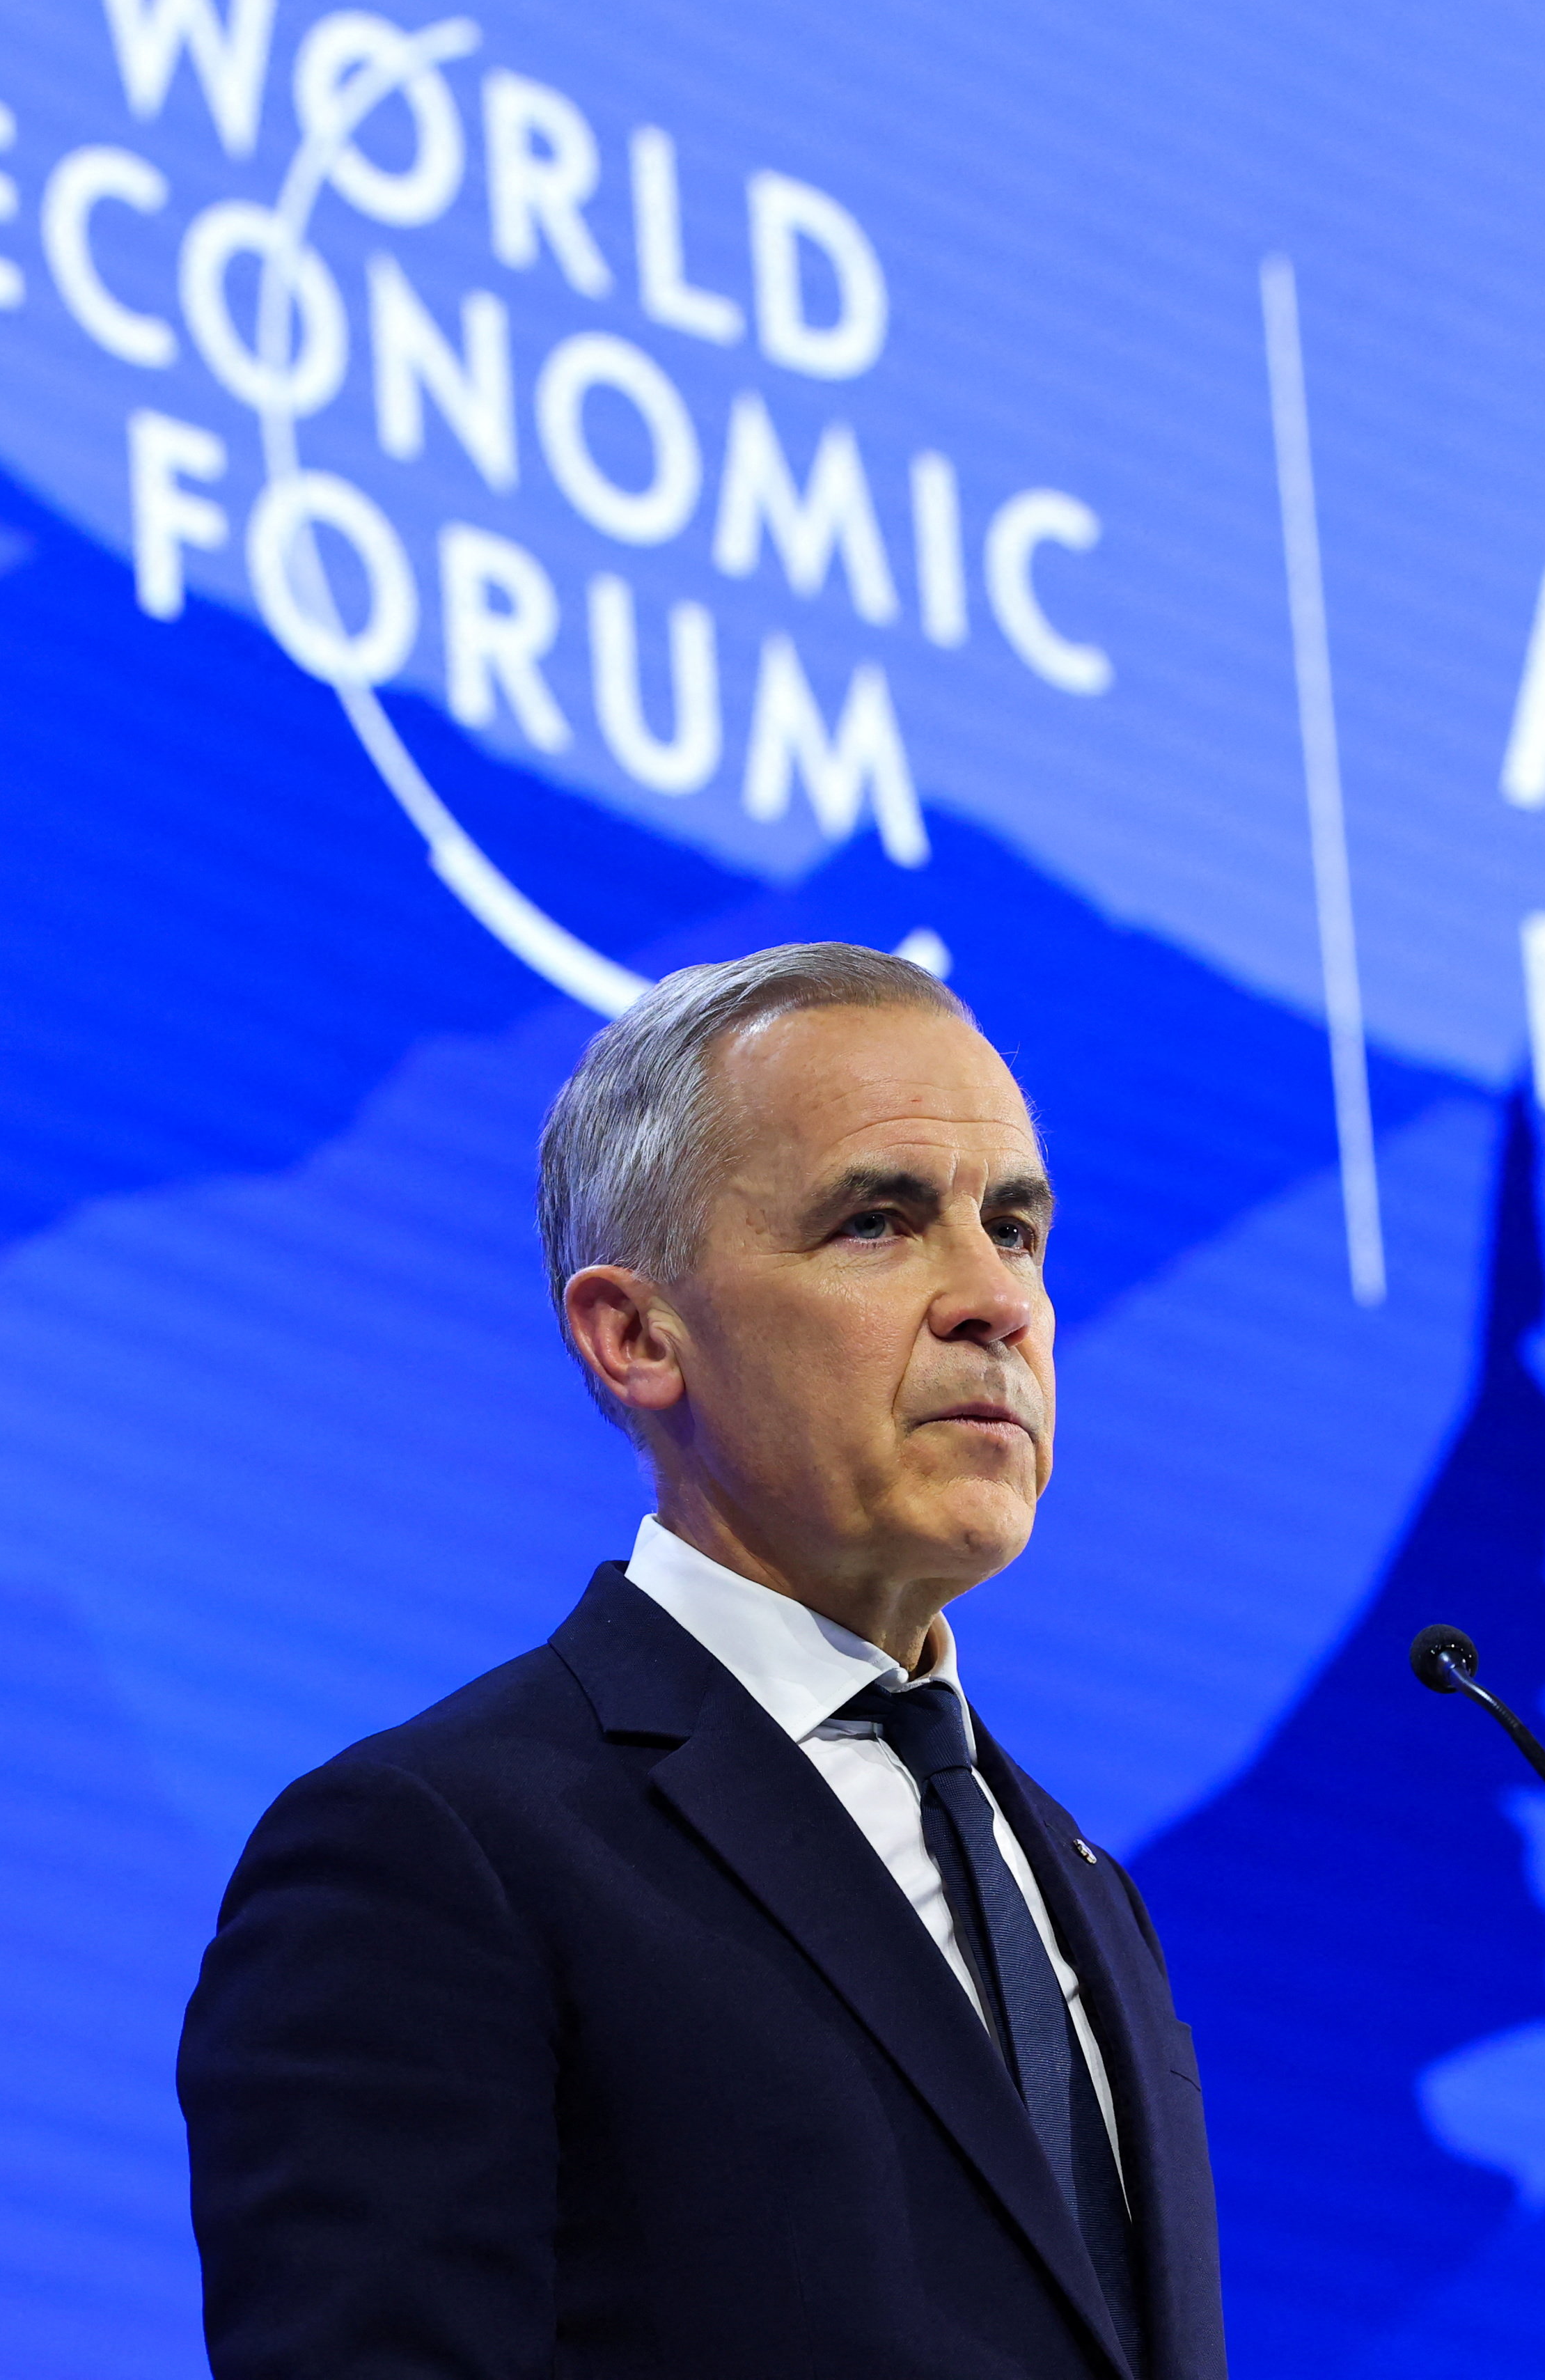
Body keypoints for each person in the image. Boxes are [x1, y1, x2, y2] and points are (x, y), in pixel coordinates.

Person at [179, 942, 1223, 2379]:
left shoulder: (1084, 1888)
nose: (996, 1299)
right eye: (878, 1221)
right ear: (632, 1335)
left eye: (1017, 1227)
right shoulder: (439, 1851)